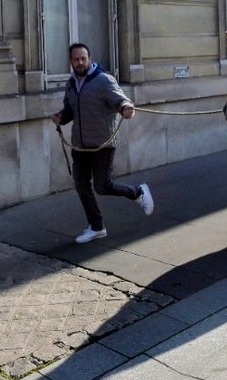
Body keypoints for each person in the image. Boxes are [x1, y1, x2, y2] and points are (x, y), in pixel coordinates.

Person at [51, 43, 154, 243]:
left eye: (83, 58)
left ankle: (137, 192)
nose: (80, 62)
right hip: (80, 145)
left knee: (102, 186)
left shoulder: (103, 80)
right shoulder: (71, 84)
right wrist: (61, 117)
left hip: (102, 144)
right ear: (71, 61)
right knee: (81, 185)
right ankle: (97, 227)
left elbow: (120, 100)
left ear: (90, 58)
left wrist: (126, 109)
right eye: (76, 59)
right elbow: (70, 110)